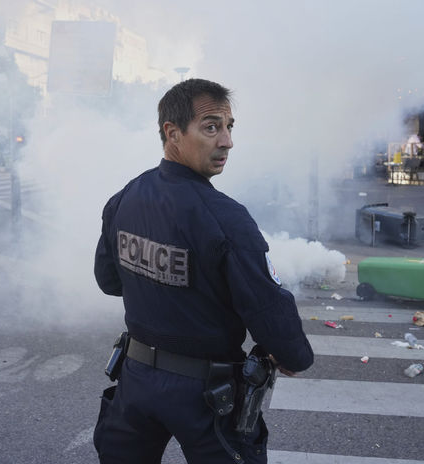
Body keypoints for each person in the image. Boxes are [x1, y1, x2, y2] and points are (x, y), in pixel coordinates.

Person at [92, 78, 314, 464]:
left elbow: (109, 281)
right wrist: (293, 356)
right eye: (211, 127)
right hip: (207, 394)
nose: (226, 141)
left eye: (229, 127)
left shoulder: (125, 197)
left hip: (137, 381)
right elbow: (266, 307)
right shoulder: (227, 219)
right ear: (172, 133)